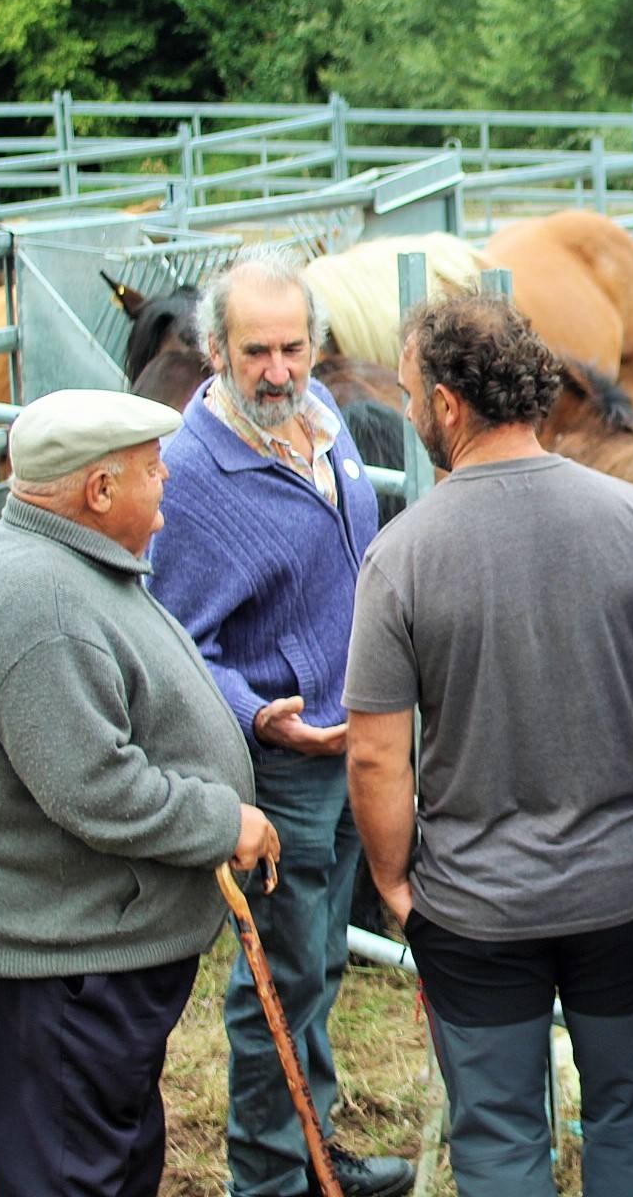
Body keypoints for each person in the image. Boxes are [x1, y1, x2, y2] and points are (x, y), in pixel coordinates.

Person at [343, 291, 633, 1197]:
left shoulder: (401, 556)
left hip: (473, 906)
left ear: (445, 405)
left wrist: (395, 881)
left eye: (407, 393)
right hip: (625, 889)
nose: (408, 409)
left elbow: (374, 755)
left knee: (499, 1136)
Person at [0, 389, 280, 1197]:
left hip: (87, 953)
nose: (167, 489)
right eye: (153, 471)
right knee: (72, 1176)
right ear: (98, 491)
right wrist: (219, 818)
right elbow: (94, 785)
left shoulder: (65, 565)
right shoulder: (43, 602)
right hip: (64, 970)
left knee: (111, 1163)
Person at [150, 248, 409, 1197]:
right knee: (277, 981)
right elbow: (171, 638)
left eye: (294, 348)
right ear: (215, 349)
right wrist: (258, 712)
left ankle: (317, 1146)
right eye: (255, 352)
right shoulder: (188, 473)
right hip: (285, 766)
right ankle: (267, 1179)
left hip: (357, 745)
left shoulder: (322, 416)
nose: (278, 372)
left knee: (321, 961)